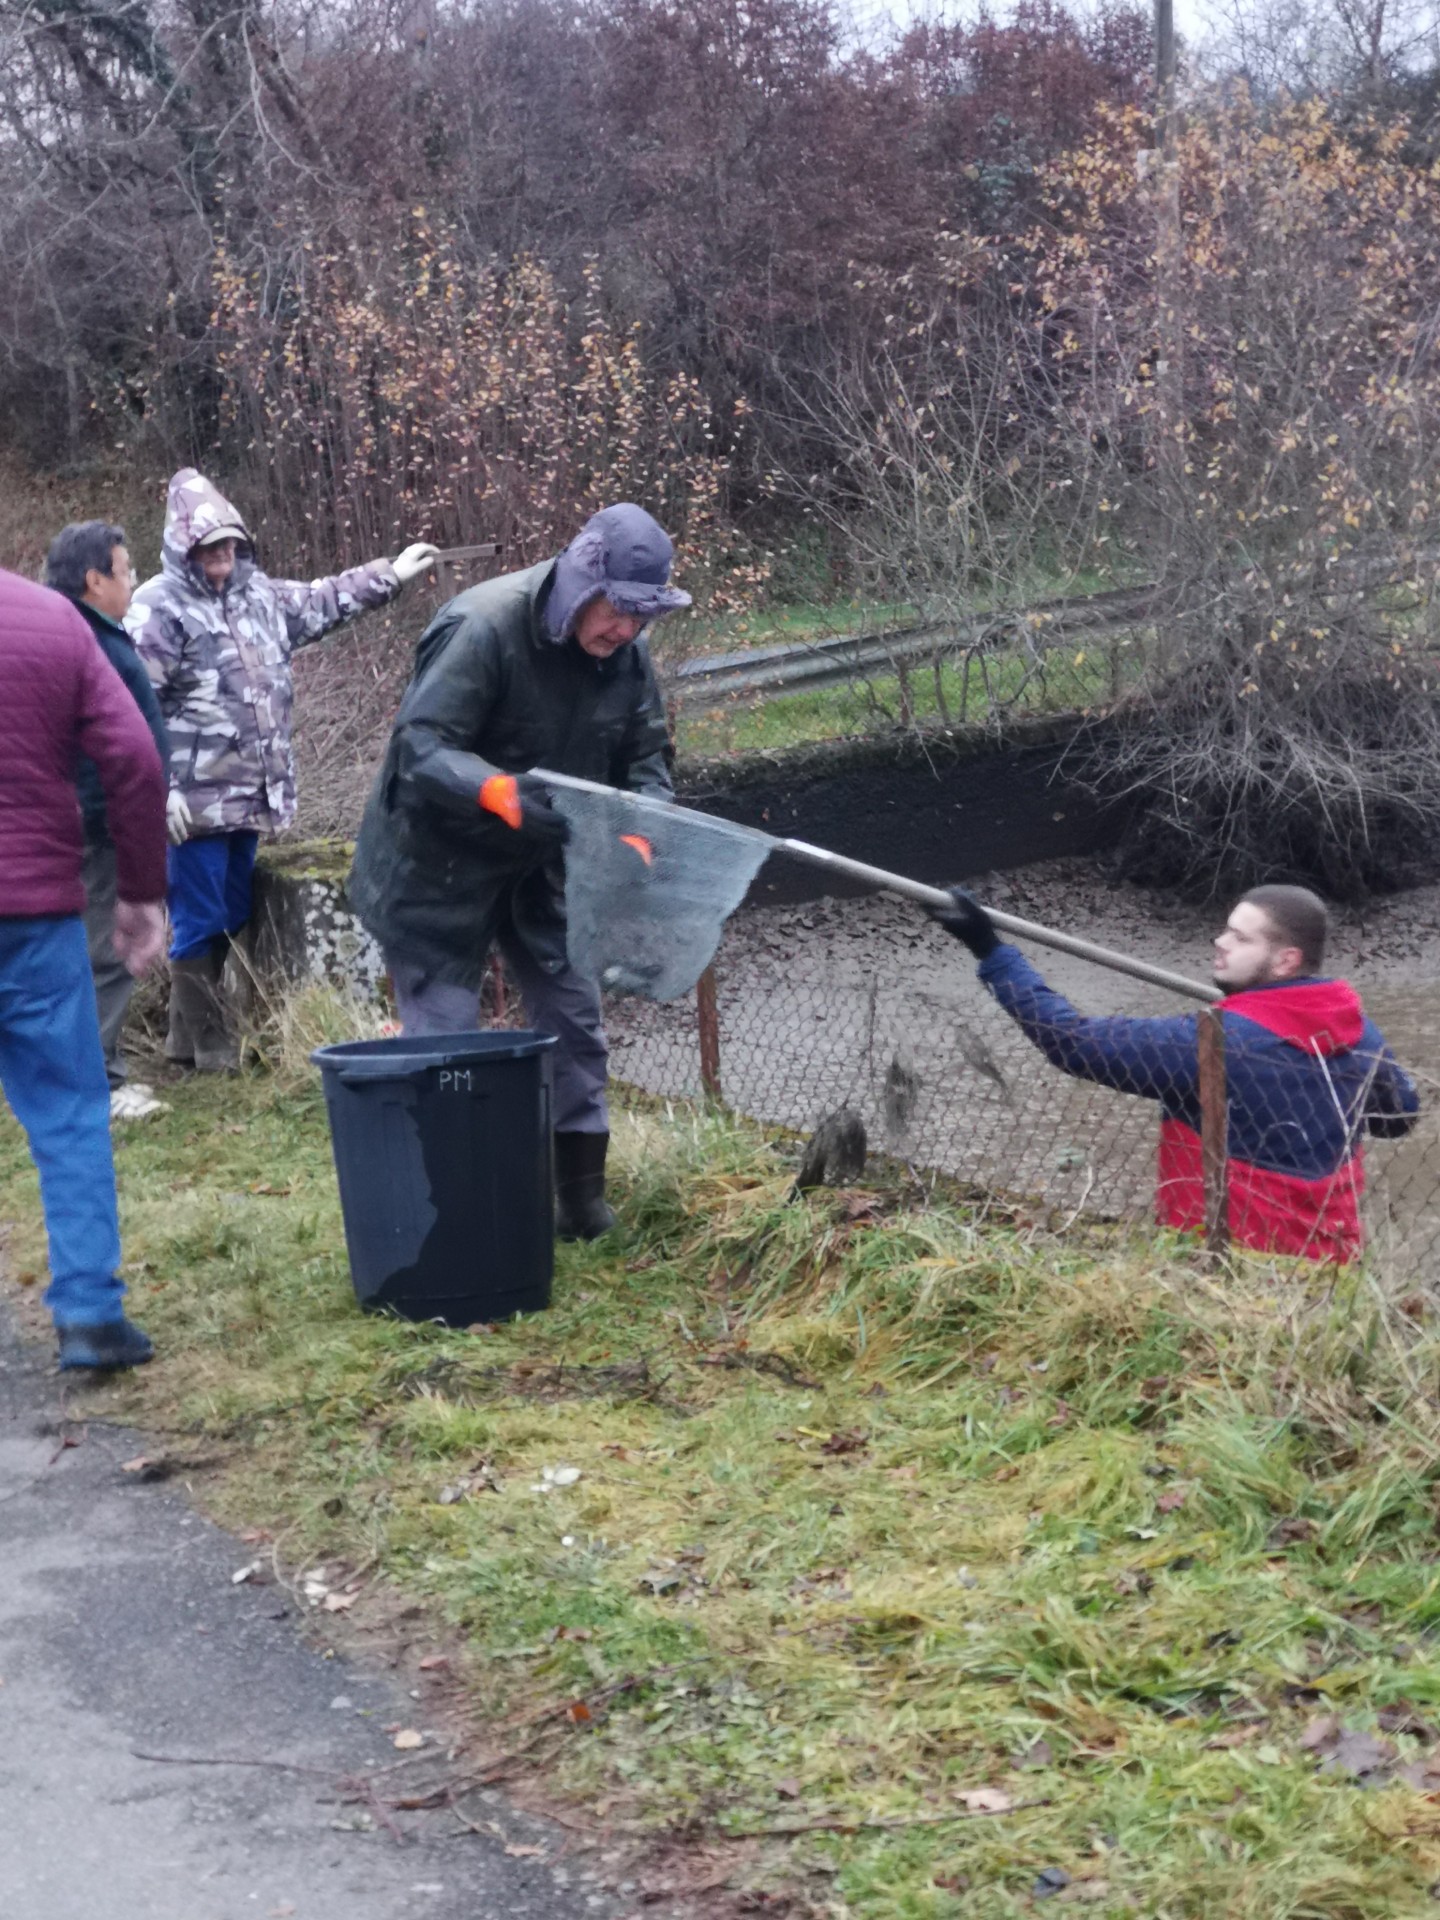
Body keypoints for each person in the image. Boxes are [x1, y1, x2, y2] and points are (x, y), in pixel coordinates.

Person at [348, 503, 692, 1240]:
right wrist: (498, 792)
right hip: (435, 862)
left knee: (574, 1020)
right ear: (583, 583)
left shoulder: (626, 659)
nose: (626, 631)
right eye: (618, 613)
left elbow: (648, 759)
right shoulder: (484, 628)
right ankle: (448, 1213)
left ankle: (581, 1201)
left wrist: (641, 832)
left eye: (642, 618)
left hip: (540, 862)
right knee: (446, 1041)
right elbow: (422, 744)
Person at [127, 468, 439, 1071]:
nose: (221, 558)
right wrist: (156, 787)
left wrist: (391, 574)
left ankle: (180, 1040)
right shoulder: (157, 609)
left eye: (229, 546)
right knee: (198, 916)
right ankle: (213, 1050)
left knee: (234, 909)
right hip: (190, 804)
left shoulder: (260, 597)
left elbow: (322, 600)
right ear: (184, 549)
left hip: (250, 795)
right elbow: (133, 706)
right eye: (209, 548)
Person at [931, 883, 1419, 1264]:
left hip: (1225, 1264)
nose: (1220, 942)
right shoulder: (1355, 1028)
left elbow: (1072, 1044)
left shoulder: (1213, 1041)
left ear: (1285, 959)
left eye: (1240, 937)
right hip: (1331, 1265)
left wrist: (991, 951)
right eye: (1226, 929)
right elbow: (1398, 1117)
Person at [0, 565, 167, 1368]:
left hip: (38, 909)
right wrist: (140, 893)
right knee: (69, 1110)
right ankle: (92, 1316)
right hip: (36, 918)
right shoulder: (53, 620)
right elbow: (135, 753)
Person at [45, 521, 172, 1122]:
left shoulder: (78, 635)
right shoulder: (88, 643)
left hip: (93, 823)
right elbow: (103, 752)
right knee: (108, 953)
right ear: (95, 580)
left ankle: (94, 1071)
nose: (134, 583)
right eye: (127, 572)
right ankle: (100, 1083)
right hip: (100, 829)